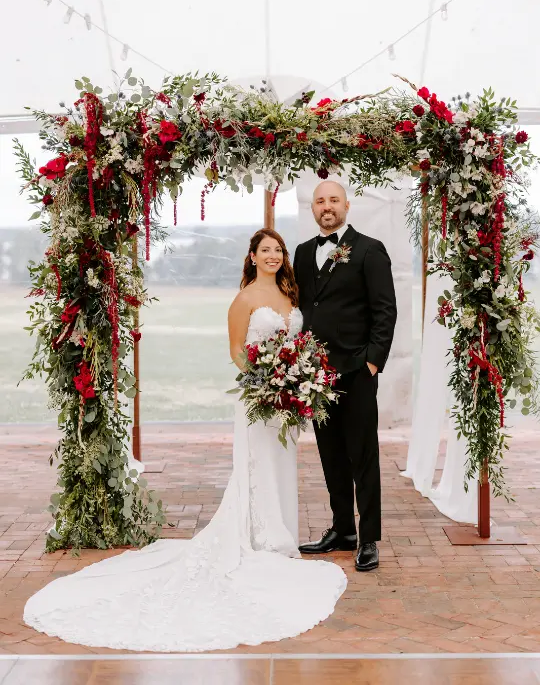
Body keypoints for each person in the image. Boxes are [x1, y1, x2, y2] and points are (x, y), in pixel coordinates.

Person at [23, 228, 346, 653]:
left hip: (286, 402)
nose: (272, 255)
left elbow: (297, 342)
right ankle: (260, 541)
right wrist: (269, 379)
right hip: (259, 398)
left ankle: (279, 535)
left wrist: (295, 378)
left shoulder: (291, 295)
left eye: (278, 250)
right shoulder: (244, 299)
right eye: (265, 250)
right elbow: (236, 350)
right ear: (251, 257)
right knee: (258, 467)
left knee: (283, 466)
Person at [294, 181, 397, 571]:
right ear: (313, 208)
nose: (327, 206)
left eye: (333, 200)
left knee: (363, 456)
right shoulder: (304, 253)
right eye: (320, 201)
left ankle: (368, 537)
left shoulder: (370, 250)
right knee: (330, 454)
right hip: (316, 377)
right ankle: (343, 529)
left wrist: (372, 361)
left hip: (356, 371)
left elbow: (385, 310)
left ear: (347, 206)